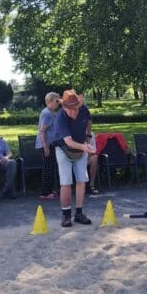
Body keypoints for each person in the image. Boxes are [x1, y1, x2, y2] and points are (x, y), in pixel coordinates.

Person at [53, 89, 96, 227]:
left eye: (75, 108)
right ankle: (66, 215)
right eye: (69, 109)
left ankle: (79, 213)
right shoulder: (60, 117)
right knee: (65, 182)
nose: (73, 111)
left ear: (78, 105)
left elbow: (89, 121)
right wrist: (85, 147)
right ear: (64, 107)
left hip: (81, 146)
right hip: (64, 148)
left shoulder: (84, 110)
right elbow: (69, 142)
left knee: (81, 180)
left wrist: (88, 138)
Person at [35, 92, 61, 200]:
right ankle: (45, 192)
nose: (58, 103)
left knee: (51, 167)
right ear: (49, 102)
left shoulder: (52, 113)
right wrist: (45, 147)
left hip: (51, 143)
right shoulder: (47, 114)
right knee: (47, 168)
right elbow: (42, 131)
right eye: (56, 101)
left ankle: (50, 190)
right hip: (46, 144)